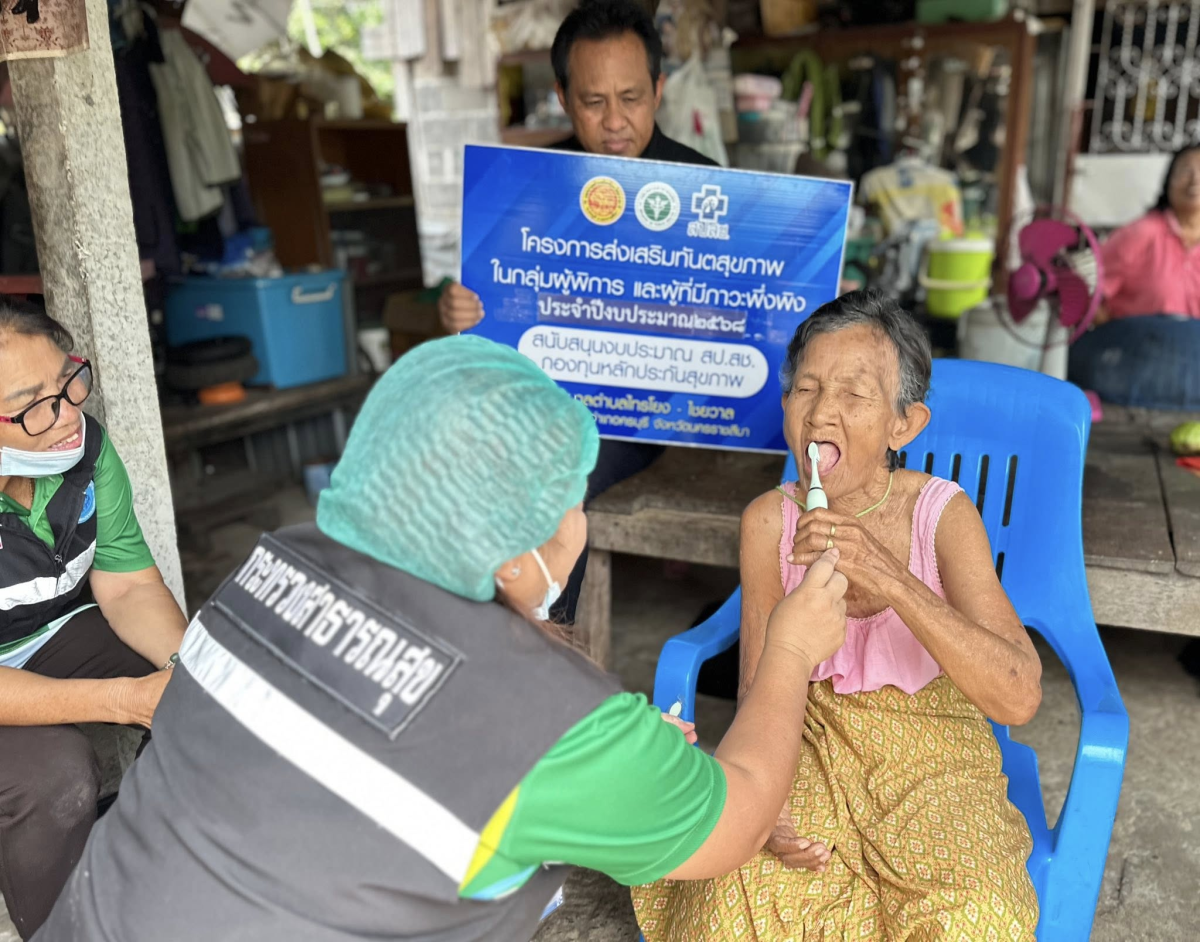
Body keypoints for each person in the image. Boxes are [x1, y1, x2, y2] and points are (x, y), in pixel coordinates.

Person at [35, 335, 848, 942]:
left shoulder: (273, 563)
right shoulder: (547, 722)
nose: (578, 524)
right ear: (511, 552)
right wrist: (787, 648)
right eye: (571, 501)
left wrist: (609, 755)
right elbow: (737, 822)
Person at [632, 291, 1042, 941]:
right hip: (810, 735)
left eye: (854, 394)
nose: (821, 412)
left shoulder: (942, 514)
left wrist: (891, 576)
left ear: (903, 425)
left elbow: (1017, 696)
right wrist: (763, 803)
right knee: (735, 889)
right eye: (806, 389)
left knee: (976, 913)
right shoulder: (769, 521)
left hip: (935, 752)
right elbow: (758, 689)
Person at [439, 0, 717, 621]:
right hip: (541, 401)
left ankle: (547, 647)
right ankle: (468, 644)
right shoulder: (529, 188)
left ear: (658, 90)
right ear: (563, 98)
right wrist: (460, 313)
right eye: (594, 102)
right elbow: (495, 311)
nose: (615, 121)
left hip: (638, 414)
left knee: (559, 477)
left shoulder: (708, 193)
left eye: (631, 98)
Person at [0, 301, 185, 940]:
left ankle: (174, 884)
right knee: (54, 774)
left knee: (200, 689)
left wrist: (187, 672)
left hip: (42, 639)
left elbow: (128, 585)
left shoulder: (81, 452)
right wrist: (127, 699)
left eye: (68, 384)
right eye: (32, 406)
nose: (66, 416)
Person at [1069, 143, 1200, 409]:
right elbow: (1088, 293)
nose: (1194, 181)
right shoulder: (1140, 234)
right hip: (1135, 376)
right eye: (1186, 171)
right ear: (1168, 180)